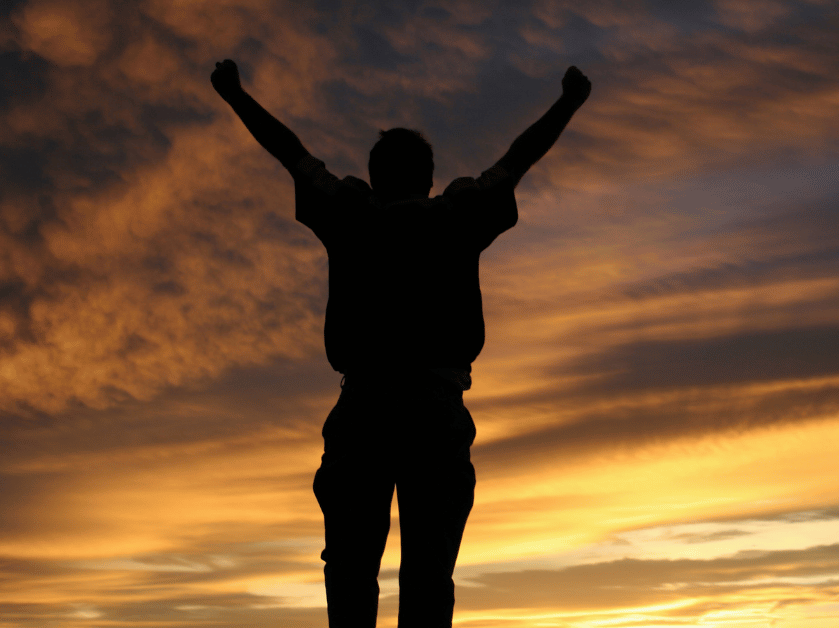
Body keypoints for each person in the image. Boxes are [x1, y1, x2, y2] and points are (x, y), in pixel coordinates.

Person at [210, 58, 590, 627]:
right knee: (428, 574)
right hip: (434, 411)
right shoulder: (457, 215)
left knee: (351, 570)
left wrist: (235, 95)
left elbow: (289, 150)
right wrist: (568, 102)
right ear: (429, 179)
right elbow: (519, 158)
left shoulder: (349, 213)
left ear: (374, 174)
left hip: (364, 408)